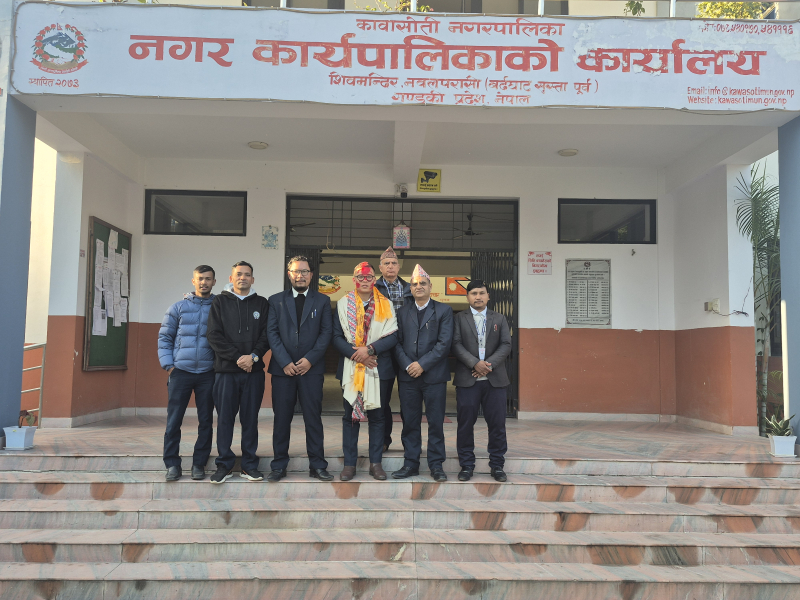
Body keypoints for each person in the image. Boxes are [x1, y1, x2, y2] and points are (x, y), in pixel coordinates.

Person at [266, 256, 333, 482]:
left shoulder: (322, 301)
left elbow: (326, 333)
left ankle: (317, 465)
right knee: (281, 419)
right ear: (289, 274)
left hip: (310, 370)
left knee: (313, 418)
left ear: (311, 275)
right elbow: (272, 333)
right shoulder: (275, 301)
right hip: (282, 371)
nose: (300, 275)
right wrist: (285, 361)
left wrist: (310, 360)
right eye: (296, 271)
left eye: (305, 271)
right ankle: (278, 465)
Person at [332, 262, 398, 481]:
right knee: (350, 417)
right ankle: (349, 465)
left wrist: (369, 350)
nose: (364, 281)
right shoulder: (343, 304)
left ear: (374, 280)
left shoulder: (386, 304)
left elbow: (393, 335)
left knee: (378, 417)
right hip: (351, 368)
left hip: (378, 367)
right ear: (354, 280)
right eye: (360, 277)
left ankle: (375, 464)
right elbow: (336, 337)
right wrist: (358, 355)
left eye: (369, 277)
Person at [206, 261, 270, 484]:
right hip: (226, 372)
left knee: (250, 419)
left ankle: (249, 465)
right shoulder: (219, 302)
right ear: (231, 278)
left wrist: (253, 357)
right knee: (225, 419)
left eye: (247, 274)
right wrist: (238, 358)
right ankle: (224, 465)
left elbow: (267, 335)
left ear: (253, 279)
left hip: (254, 372)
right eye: (239, 274)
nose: (243, 278)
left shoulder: (262, 303)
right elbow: (213, 335)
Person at [392, 264, 454, 482]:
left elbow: (444, 343)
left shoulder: (443, 311)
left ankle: (436, 465)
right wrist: (408, 365)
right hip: (408, 376)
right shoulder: (402, 312)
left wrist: (422, 365)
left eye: (423, 283)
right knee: (410, 421)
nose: (419, 287)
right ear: (410, 288)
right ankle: (411, 463)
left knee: (435, 422)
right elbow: (396, 342)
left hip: (434, 376)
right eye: (415, 284)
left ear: (430, 286)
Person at [158, 265, 218, 482]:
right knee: (174, 420)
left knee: (206, 421)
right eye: (200, 278)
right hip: (180, 372)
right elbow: (165, 337)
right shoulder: (178, 308)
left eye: (208, 279)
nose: (204, 282)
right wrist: (169, 365)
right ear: (193, 281)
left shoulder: (219, 308)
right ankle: (172, 464)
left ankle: (199, 464)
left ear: (214, 282)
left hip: (208, 373)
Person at [452, 280, 512, 483]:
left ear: (488, 296)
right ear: (467, 297)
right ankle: (467, 465)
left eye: (481, 293)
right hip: (467, 379)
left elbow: (506, 344)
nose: (478, 297)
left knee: (497, 424)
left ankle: (497, 465)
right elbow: (455, 344)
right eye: (473, 293)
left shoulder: (499, 318)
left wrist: (488, 365)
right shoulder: (459, 318)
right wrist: (475, 364)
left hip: (495, 380)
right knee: (465, 424)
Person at [374, 247, 413, 452]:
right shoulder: (373, 288)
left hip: (407, 351)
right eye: (386, 263)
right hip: (383, 351)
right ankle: (383, 440)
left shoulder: (410, 289)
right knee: (382, 400)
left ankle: (410, 443)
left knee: (409, 401)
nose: (390, 266)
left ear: (399, 267)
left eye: (394, 263)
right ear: (380, 268)